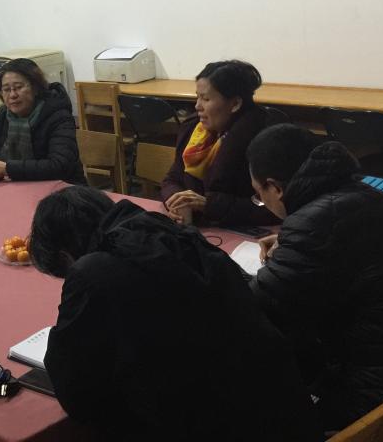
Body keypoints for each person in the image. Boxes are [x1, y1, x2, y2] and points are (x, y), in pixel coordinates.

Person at [28, 186, 319, 442]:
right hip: (284, 414)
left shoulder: (92, 271)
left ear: (66, 256)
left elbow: (77, 394)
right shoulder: (176, 235)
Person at [248, 124, 383, 440]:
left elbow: (255, 305)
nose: (263, 203)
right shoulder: (360, 195)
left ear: (275, 187)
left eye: (259, 196)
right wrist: (291, 243)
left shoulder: (316, 224)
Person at [161, 59, 278, 226]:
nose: (197, 106)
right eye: (197, 97)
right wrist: (179, 202)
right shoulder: (194, 130)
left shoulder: (262, 142)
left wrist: (209, 205)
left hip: (242, 231)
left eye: (206, 99)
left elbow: (273, 209)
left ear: (235, 104)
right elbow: (172, 179)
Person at [0, 57, 82, 183]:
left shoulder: (58, 116)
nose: (13, 95)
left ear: (36, 88)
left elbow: (59, 166)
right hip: (15, 186)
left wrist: (7, 169)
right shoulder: (4, 114)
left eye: (18, 87)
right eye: (6, 89)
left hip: (63, 188)